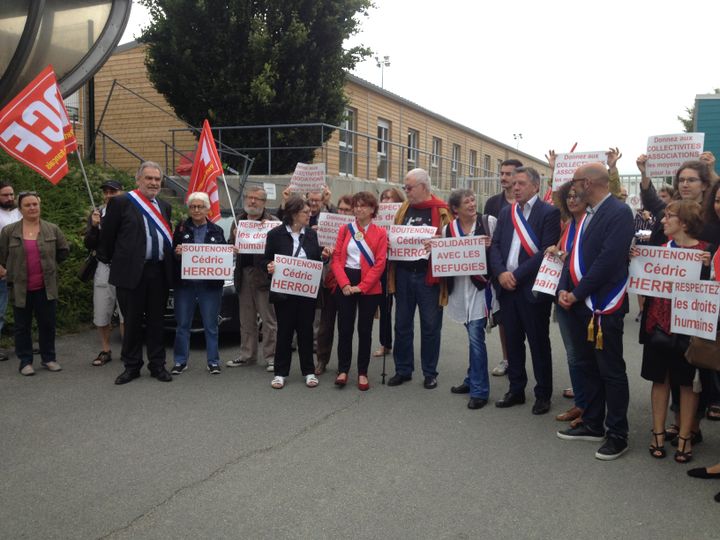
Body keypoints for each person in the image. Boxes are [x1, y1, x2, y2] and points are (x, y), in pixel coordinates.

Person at [556, 162, 635, 461]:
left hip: (604, 305)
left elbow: (607, 261)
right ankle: (592, 422)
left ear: (588, 183)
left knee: (611, 371)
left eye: (576, 181)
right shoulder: (588, 214)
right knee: (589, 366)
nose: (572, 187)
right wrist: (567, 290)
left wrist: (577, 293)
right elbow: (574, 257)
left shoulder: (618, 212)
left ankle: (617, 433)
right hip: (581, 304)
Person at [635, 200, 712, 463]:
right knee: (660, 379)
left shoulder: (706, 253)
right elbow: (642, 282)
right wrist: (636, 261)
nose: (663, 221)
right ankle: (657, 433)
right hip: (659, 323)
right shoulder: (659, 250)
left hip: (689, 328)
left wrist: (708, 268)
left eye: (670, 216)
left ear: (685, 223)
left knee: (688, 383)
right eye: (664, 215)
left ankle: (685, 436)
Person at [489, 166, 560, 414]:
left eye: (520, 183)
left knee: (538, 342)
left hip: (531, 289)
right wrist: (500, 273)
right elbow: (495, 246)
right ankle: (516, 389)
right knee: (513, 341)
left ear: (535, 186)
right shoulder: (507, 212)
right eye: (514, 183)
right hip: (506, 287)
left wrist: (515, 276)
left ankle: (543, 394)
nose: (515, 187)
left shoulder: (549, 212)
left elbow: (545, 251)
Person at [97, 161, 175, 385]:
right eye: (149, 178)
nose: (153, 183)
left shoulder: (164, 206)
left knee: (156, 322)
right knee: (131, 322)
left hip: (158, 272)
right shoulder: (121, 202)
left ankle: (157, 365)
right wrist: (122, 261)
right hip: (131, 273)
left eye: (157, 179)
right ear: (138, 179)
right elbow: (108, 239)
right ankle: (131, 366)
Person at [387, 168, 452, 389]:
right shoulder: (404, 209)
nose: (406, 191)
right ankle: (403, 369)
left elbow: (452, 242)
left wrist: (438, 244)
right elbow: (394, 234)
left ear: (423, 187)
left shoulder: (442, 210)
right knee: (402, 325)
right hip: (404, 274)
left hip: (428, 277)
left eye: (409, 187)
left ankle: (429, 372)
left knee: (431, 326)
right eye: (405, 187)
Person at [263, 195, 328, 389]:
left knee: (306, 332)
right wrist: (270, 266)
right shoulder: (275, 235)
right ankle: (280, 373)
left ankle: (308, 370)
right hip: (284, 292)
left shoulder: (312, 235)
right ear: (293, 214)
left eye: (309, 212)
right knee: (284, 331)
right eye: (305, 212)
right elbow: (265, 259)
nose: (309, 215)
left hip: (306, 292)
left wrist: (323, 257)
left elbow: (316, 261)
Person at [0, 192, 69, 376]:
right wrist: (5, 270)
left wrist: (50, 267)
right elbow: (2, 255)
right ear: (20, 209)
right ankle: (25, 362)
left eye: (35, 204)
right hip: (20, 288)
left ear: (39, 206)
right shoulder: (9, 231)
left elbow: (63, 251)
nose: (32, 208)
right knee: (22, 327)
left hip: (46, 287)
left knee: (47, 324)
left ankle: (49, 358)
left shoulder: (52, 229)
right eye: (27, 205)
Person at [444, 189, 497, 409]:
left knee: (476, 337)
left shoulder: (488, 222)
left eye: (473, 200)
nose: (471, 204)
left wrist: (490, 245)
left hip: (481, 288)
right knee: (472, 337)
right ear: (455, 209)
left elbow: (501, 248)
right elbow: (443, 255)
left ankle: (480, 390)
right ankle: (471, 378)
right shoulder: (448, 228)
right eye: (466, 201)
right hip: (459, 289)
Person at [331, 191, 387, 391]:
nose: (358, 209)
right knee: (344, 329)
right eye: (356, 205)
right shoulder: (345, 229)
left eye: (363, 205)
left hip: (369, 286)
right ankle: (343, 369)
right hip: (346, 280)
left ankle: (362, 372)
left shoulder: (380, 233)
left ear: (372, 209)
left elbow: (380, 264)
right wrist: (345, 284)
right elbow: (337, 258)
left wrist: (361, 287)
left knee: (365, 331)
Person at [171, 192, 227, 375]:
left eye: (200, 206)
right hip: (185, 285)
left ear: (207, 209)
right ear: (189, 209)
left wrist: (230, 252)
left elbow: (223, 256)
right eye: (193, 206)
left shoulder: (217, 230)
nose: (196, 210)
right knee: (182, 324)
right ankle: (180, 361)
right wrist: (177, 253)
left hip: (209, 287)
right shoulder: (180, 228)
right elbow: (171, 253)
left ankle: (213, 361)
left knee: (211, 325)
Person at [547, 182, 587, 425]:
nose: (572, 200)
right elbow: (563, 255)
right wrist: (554, 251)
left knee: (584, 355)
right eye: (569, 196)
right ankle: (581, 403)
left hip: (582, 297)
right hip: (562, 294)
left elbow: (583, 258)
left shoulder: (590, 224)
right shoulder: (568, 225)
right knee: (573, 354)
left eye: (577, 196)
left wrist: (560, 254)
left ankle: (589, 405)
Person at [227, 187, 278, 372]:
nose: (253, 201)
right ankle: (247, 355)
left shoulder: (272, 222)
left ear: (264, 203)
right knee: (246, 320)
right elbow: (229, 247)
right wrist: (233, 242)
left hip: (263, 276)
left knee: (268, 319)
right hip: (243, 274)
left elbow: (280, 247)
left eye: (257, 199)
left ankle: (272, 357)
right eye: (250, 197)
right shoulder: (238, 220)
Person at [484, 159, 522, 377]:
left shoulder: (525, 201)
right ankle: (507, 358)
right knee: (503, 318)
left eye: (508, 174)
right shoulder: (492, 203)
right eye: (502, 173)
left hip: (522, 270)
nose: (503, 178)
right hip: (498, 269)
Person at [84, 180, 124, 367]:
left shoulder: (129, 211)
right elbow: (89, 243)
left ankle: (127, 349)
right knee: (102, 311)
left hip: (124, 268)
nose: (109, 195)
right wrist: (93, 226)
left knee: (126, 313)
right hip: (104, 267)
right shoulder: (97, 214)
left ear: (121, 193)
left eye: (113, 192)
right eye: (106, 192)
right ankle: (106, 349)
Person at [315, 195, 354, 375]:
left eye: (347, 210)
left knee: (345, 327)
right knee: (325, 326)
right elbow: (315, 254)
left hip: (347, 284)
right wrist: (324, 254)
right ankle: (322, 360)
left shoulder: (356, 231)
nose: (343, 213)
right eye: (341, 209)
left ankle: (343, 365)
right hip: (328, 283)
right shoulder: (327, 227)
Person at [373, 187, 404, 359]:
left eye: (389, 198)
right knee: (384, 307)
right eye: (383, 198)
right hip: (383, 266)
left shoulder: (404, 217)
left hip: (399, 266)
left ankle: (401, 343)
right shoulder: (376, 218)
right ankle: (385, 343)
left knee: (402, 310)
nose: (385, 201)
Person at [0, 181, 22, 361]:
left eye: (11, 194)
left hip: (21, 269)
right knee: (0, 310)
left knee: (23, 308)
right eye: (5, 195)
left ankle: (24, 344)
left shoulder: (18, 212)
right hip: (2, 270)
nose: (9, 198)